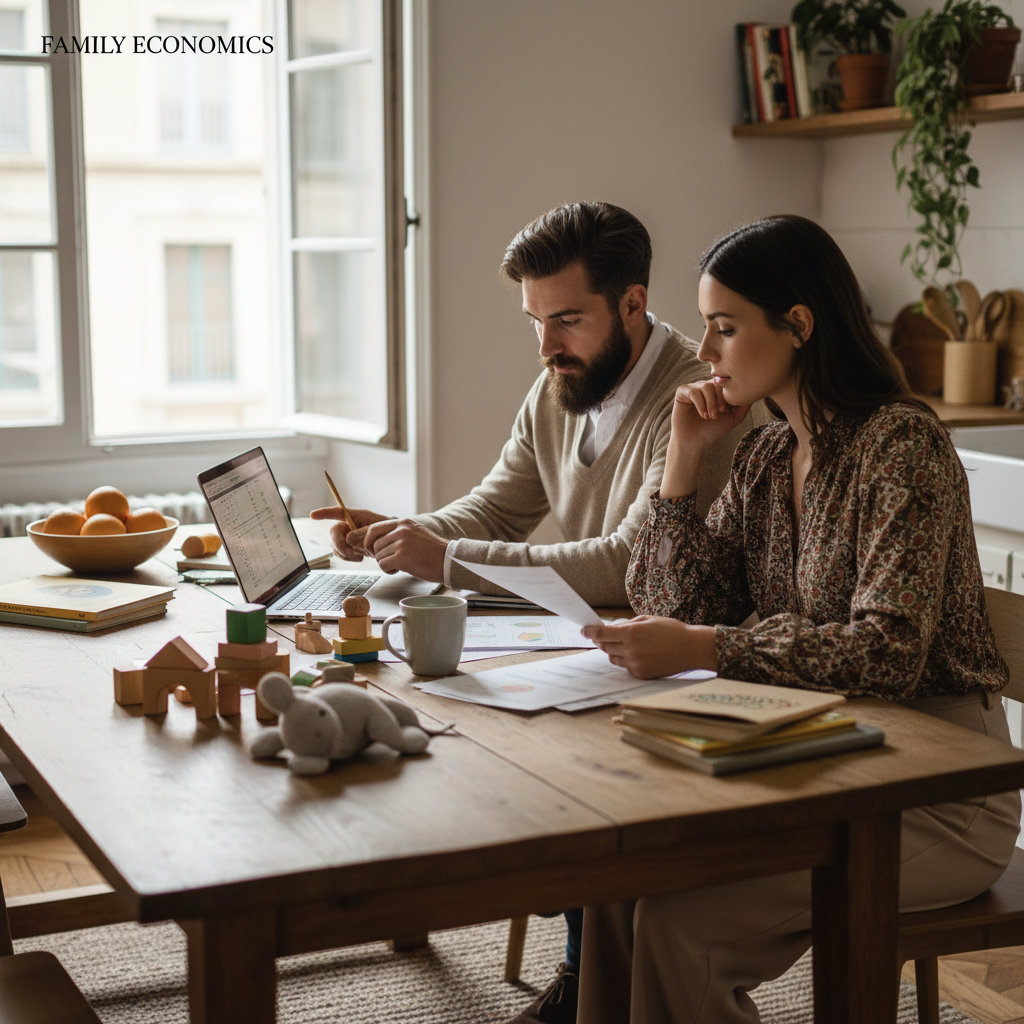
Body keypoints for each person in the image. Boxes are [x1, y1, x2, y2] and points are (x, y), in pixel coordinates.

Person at [311, 201, 765, 1024]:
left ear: (632, 304)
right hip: (599, 652)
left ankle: (589, 978)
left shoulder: (700, 402)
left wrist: (443, 560)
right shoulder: (561, 383)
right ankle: (587, 973)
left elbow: (623, 564)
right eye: (535, 321)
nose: (547, 345)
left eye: (566, 319)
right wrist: (399, 534)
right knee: (469, 740)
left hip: (678, 659)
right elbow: (495, 509)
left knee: (529, 778)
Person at [578, 214, 1021, 1024]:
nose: (704, 353)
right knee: (622, 887)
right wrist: (683, 463)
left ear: (799, 325)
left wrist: (709, 647)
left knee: (683, 927)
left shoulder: (902, 448)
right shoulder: (763, 452)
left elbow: (885, 654)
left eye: (723, 327)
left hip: (941, 790)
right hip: (824, 758)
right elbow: (675, 605)